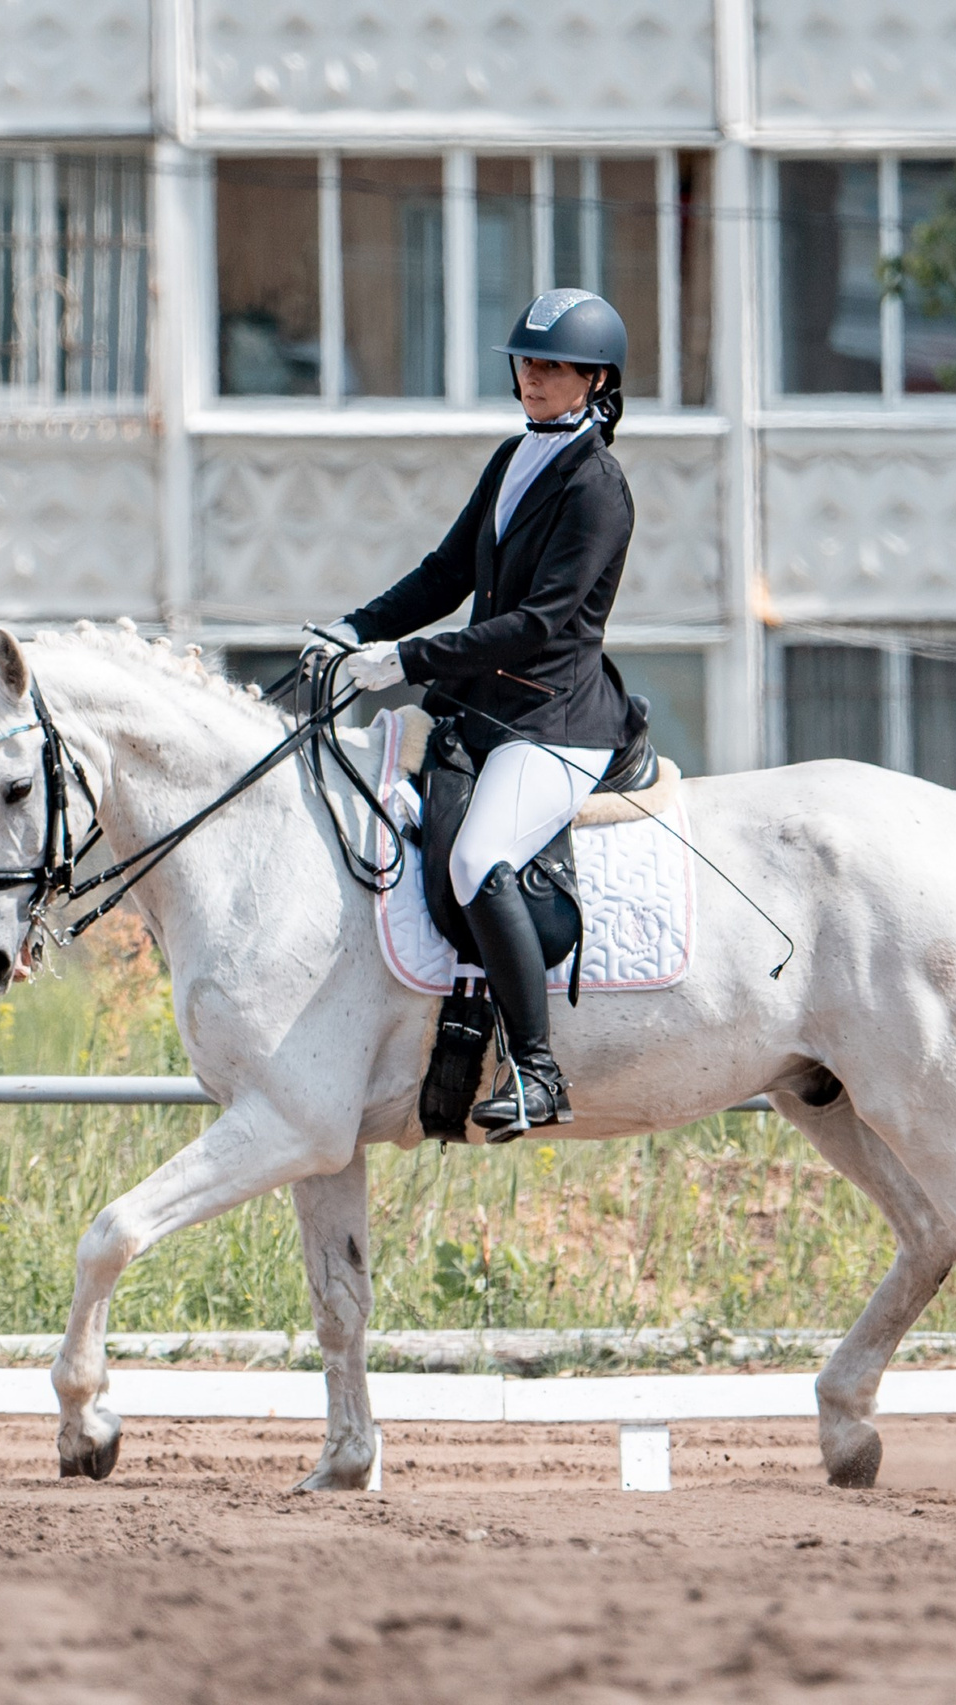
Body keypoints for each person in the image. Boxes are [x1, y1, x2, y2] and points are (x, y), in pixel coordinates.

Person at [316, 287, 637, 1132]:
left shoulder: (598, 486)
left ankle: (538, 1072)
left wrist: (404, 660)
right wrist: (356, 628)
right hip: (491, 709)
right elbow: (446, 570)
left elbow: (539, 625)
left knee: (476, 857)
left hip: (557, 722)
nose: (533, 377)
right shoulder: (513, 457)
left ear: (595, 379)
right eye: (526, 363)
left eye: (552, 366)